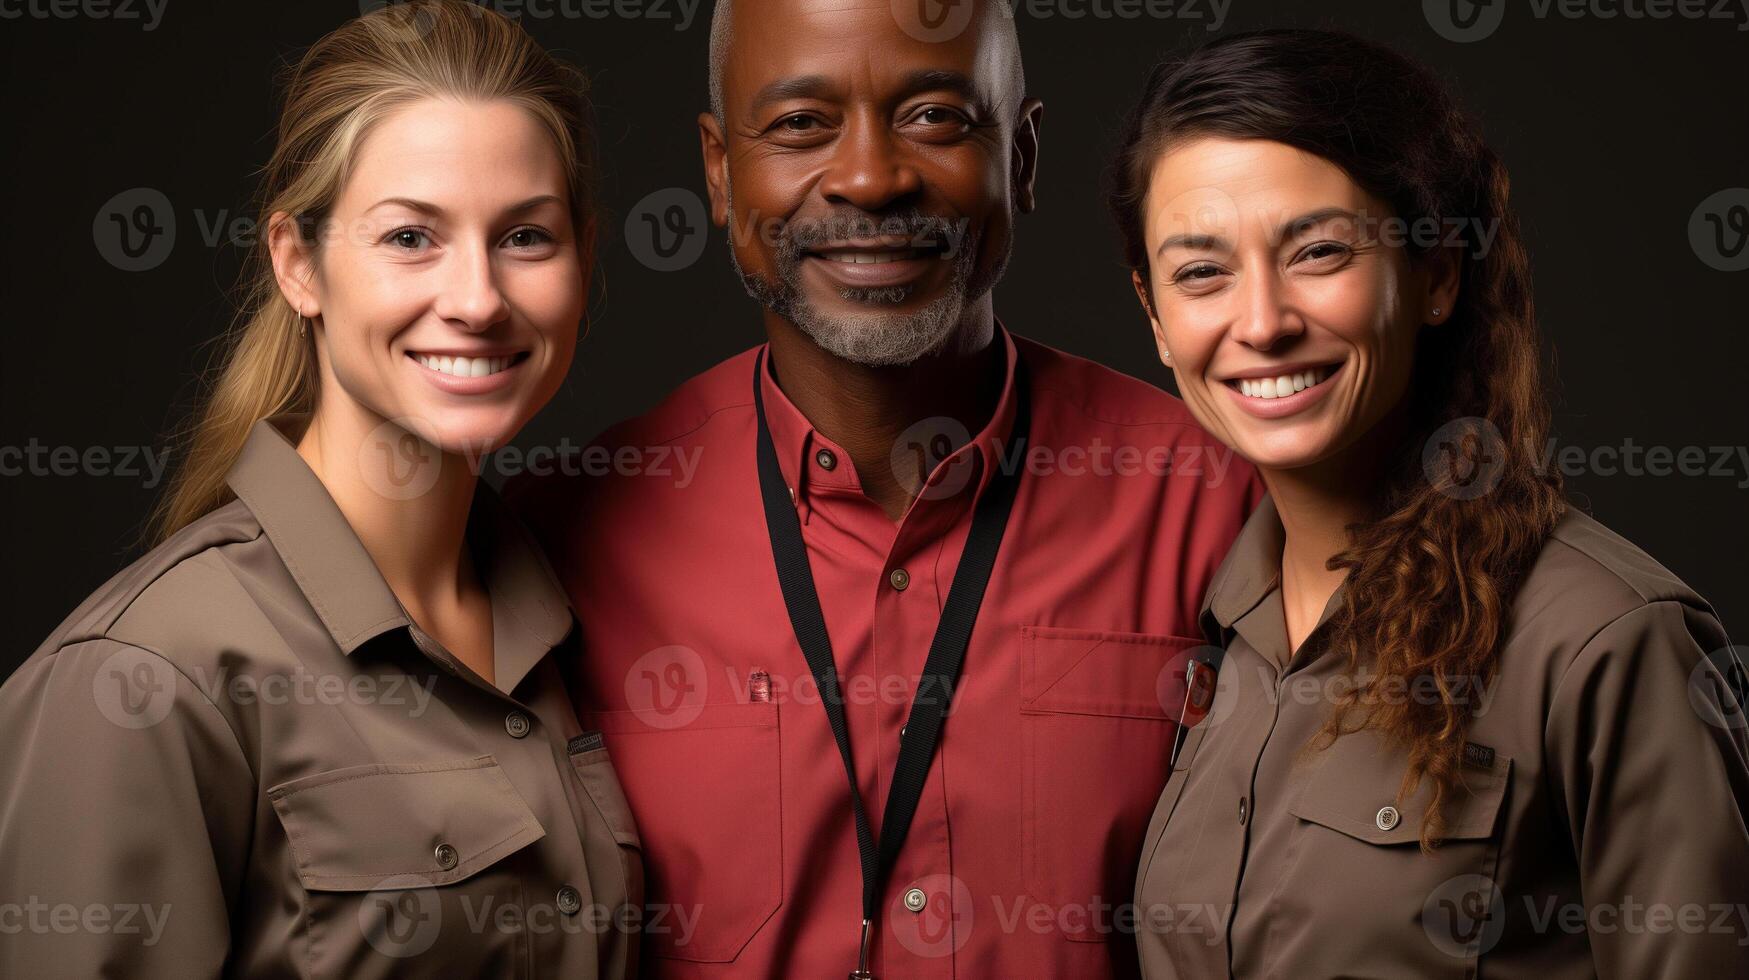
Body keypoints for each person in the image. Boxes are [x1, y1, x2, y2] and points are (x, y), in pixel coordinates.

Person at [506, 0, 1261, 975]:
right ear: (719, 173)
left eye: (936, 117)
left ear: (1022, 157)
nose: (870, 179)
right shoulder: (561, 539)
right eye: (800, 125)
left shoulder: (1217, 503)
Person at [0, 3, 641, 976]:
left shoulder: (566, 628)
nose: (476, 298)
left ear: (585, 259)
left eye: (524, 237)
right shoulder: (145, 678)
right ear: (298, 263)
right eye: (411, 237)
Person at [1111, 28, 1749, 978]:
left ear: (1436, 274)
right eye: (1201, 272)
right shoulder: (1217, 634)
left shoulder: (1605, 641)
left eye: (1318, 252)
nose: (1261, 322)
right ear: (1157, 319)